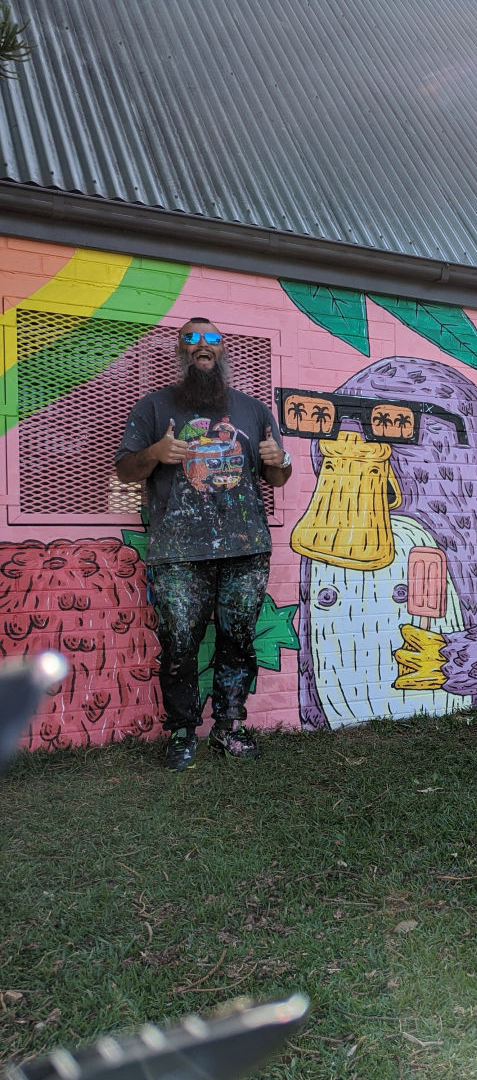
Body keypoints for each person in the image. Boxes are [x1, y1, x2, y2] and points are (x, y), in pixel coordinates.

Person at [116, 318, 292, 769]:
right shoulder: (155, 407)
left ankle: (229, 728)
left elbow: (275, 474)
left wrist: (280, 462)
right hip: (178, 551)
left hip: (245, 548)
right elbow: (125, 471)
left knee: (237, 639)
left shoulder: (252, 410)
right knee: (179, 642)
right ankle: (181, 733)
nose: (202, 345)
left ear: (221, 350)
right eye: (191, 338)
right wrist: (156, 453)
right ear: (181, 350)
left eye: (210, 338)